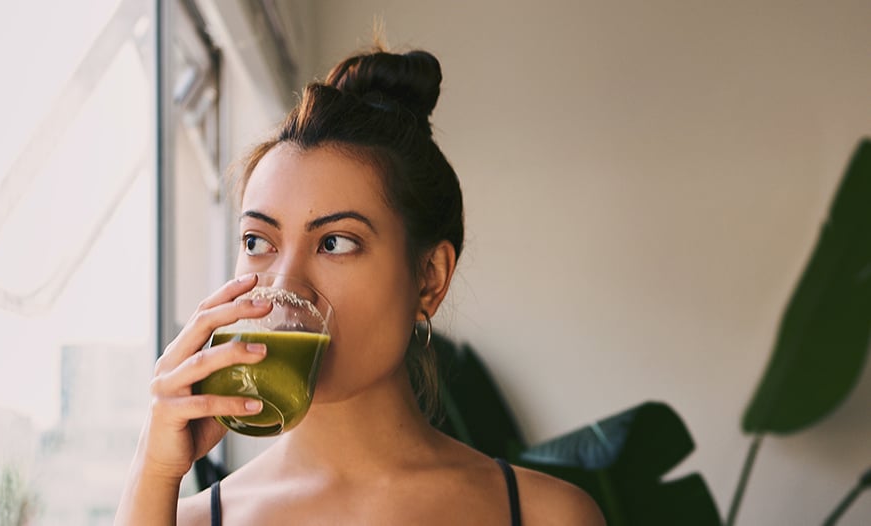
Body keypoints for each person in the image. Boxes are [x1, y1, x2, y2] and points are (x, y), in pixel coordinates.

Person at [115, 45, 605, 526]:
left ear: (430, 278)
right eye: (257, 240)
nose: (286, 286)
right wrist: (154, 469)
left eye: (335, 243)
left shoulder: (549, 516)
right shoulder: (188, 520)